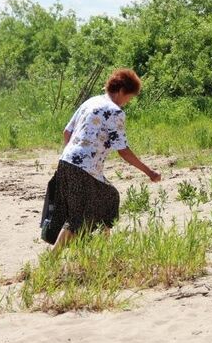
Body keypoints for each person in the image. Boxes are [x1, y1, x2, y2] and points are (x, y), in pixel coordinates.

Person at [51, 68, 161, 249]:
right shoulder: (115, 112)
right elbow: (123, 151)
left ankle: (104, 249)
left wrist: (70, 156)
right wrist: (149, 172)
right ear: (121, 91)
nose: (127, 102)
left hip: (66, 162)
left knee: (109, 197)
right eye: (129, 97)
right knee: (77, 219)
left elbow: (67, 132)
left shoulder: (91, 102)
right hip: (83, 168)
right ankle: (51, 260)